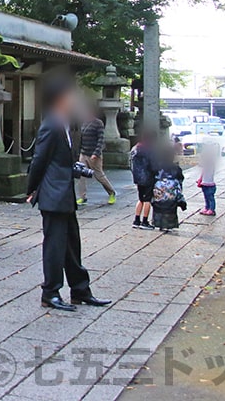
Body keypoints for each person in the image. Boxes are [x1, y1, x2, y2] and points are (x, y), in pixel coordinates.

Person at [27, 75, 112, 312]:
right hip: (53, 194)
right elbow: (39, 160)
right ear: (60, 99)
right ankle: (50, 293)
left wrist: (77, 169)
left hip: (64, 193)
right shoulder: (51, 124)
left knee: (72, 244)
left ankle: (80, 290)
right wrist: (32, 189)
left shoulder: (65, 123)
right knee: (54, 246)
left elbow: (59, 160)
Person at [75, 104, 117, 206]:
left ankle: (111, 192)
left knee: (99, 175)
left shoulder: (98, 123)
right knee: (81, 174)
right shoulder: (83, 123)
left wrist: (96, 153)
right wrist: (79, 151)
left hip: (94, 154)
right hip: (84, 152)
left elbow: (101, 139)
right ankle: (82, 196)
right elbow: (80, 138)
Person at [151, 148, 187, 231]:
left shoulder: (157, 166)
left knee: (158, 207)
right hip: (171, 194)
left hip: (159, 192)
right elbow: (180, 178)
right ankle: (170, 224)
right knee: (171, 208)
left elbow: (153, 177)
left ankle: (158, 223)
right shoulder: (176, 167)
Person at [130, 129, 158, 230]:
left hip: (137, 177)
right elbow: (153, 165)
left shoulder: (135, 148)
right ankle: (145, 221)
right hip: (147, 177)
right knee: (147, 200)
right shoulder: (149, 149)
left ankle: (136, 220)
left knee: (140, 199)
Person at [198, 142, 218, 215]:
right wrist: (200, 180)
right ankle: (207, 207)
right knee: (206, 197)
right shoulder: (205, 166)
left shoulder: (210, 164)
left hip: (210, 184)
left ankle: (212, 209)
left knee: (210, 198)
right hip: (204, 183)